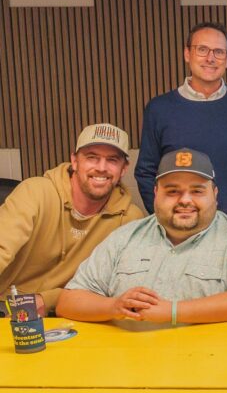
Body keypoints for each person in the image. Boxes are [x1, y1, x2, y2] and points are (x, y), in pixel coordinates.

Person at [57, 149, 227, 325]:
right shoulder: (124, 238)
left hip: (210, 367)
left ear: (214, 195)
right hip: (130, 366)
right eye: (172, 191)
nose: (185, 200)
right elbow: (68, 301)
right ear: (156, 194)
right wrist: (113, 307)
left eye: (197, 191)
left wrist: (174, 312)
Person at [0, 124, 145, 314]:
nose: (101, 168)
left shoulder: (129, 218)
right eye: (92, 157)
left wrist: (48, 300)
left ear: (124, 168)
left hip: (75, 313)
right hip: (6, 305)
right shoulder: (35, 192)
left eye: (112, 160)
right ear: (74, 161)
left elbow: (115, 289)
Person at [136, 22, 227, 222]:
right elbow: (146, 172)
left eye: (219, 52)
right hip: (180, 225)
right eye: (202, 49)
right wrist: (167, 219)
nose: (210, 58)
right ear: (187, 54)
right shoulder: (159, 109)